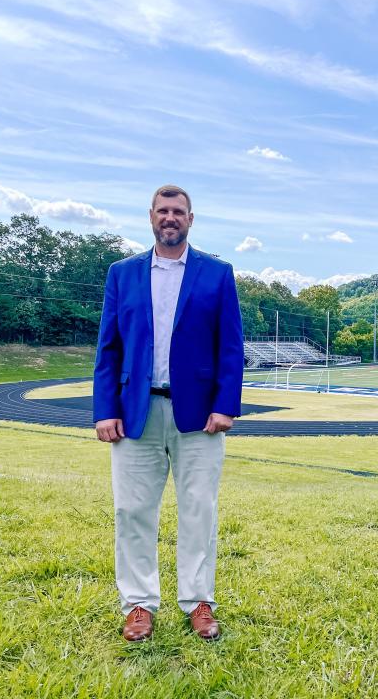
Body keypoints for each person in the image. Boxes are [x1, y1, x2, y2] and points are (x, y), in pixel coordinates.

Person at [93, 185, 244, 642]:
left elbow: (230, 347)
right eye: (163, 211)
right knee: (132, 509)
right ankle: (139, 605)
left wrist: (225, 405)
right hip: (136, 411)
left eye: (178, 211)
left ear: (191, 219)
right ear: (151, 217)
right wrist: (105, 409)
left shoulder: (217, 274)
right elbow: (109, 347)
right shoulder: (123, 274)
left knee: (199, 508)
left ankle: (199, 601)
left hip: (198, 415)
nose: (170, 218)